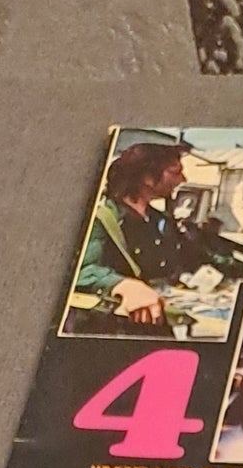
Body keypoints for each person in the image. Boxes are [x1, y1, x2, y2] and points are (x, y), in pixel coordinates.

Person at [65, 139, 193, 334]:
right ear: (147, 177)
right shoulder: (101, 218)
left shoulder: (159, 221)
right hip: (110, 330)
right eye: (175, 172)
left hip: (156, 325)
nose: (183, 179)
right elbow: (80, 270)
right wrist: (122, 285)